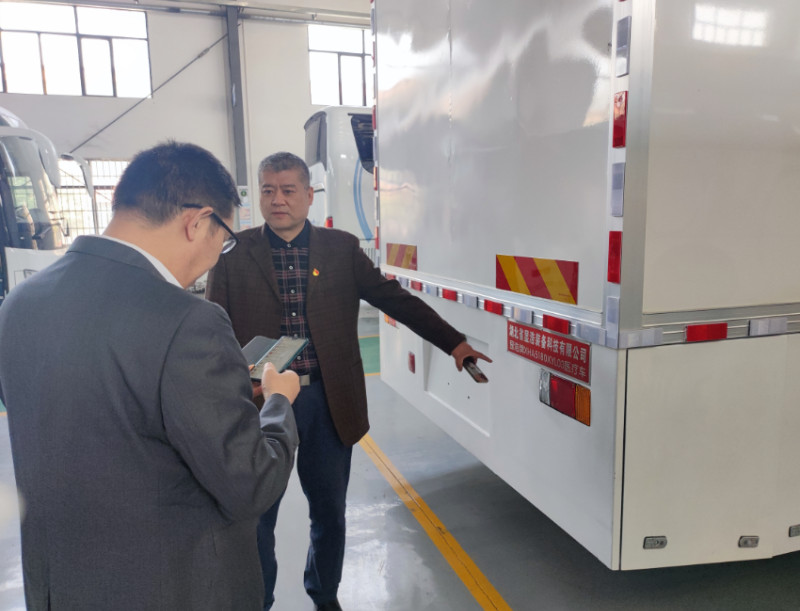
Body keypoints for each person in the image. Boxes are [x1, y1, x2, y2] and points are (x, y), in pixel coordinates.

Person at [0, 141, 301, 611]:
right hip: (174, 588)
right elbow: (251, 483)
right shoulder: (189, 321)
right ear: (197, 222)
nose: (217, 256)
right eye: (223, 240)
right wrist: (279, 401)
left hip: (59, 587)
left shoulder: (21, 302)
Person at [206, 151, 490, 611]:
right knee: (255, 518)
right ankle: (258, 600)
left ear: (309, 195)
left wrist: (453, 342)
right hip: (260, 403)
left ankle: (324, 595)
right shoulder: (235, 252)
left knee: (329, 513)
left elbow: (393, 298)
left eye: (288, 190)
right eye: (268, 190)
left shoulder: (340, 249)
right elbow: (213, 327)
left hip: (327, 400)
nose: (277, 200)